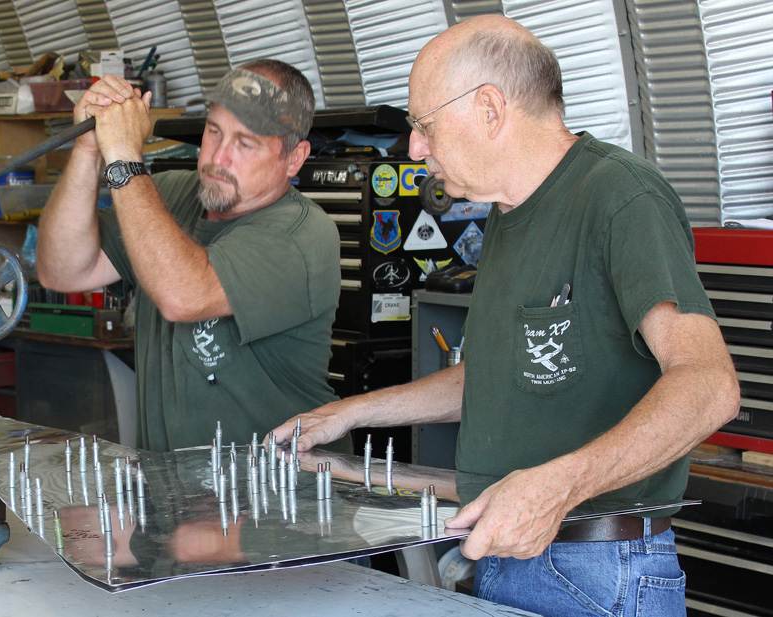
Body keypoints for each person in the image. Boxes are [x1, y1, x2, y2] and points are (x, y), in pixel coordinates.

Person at [271, 14, 739, 617]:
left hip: (598, 574)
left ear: (490, 108)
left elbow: (709, 385)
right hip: (510, 555)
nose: (415, 148)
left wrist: (557, 486)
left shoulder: (622, 198)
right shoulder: (505, 215)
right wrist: (349, 412)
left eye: (424, 124)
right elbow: (494, 377)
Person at [37, 60, 341, 452]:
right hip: (176, 495)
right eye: (214, 132)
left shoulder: (304, 235)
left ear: (295, 158)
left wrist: (125, 157)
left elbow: (183, 295)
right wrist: (88, 149)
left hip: (276, 498)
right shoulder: (166, 196)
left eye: (245, 143)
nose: (219, 158)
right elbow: (61, 271)